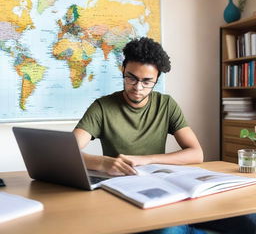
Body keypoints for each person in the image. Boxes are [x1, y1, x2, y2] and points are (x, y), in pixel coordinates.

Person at [73, 37, 256, 234]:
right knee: (169, 231)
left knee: (250, 220)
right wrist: (103, 163)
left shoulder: (166, 104)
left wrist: (144, 160)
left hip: (169, 186)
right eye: (131, 78)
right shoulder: (102, 107)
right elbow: (68, 152)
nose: (137, 87)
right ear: (123, 70)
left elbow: (196, 153)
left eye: (147, 81)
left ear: (157, 79)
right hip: (131, 194)